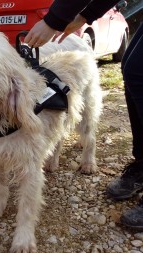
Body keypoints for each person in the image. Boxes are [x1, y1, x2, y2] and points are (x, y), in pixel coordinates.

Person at [25, 0, 143, 229]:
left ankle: (90, 150)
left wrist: (53, 20)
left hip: (76, 58)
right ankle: (142, 163)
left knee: (137, 73)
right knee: (132, 69)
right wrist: (87, 14)